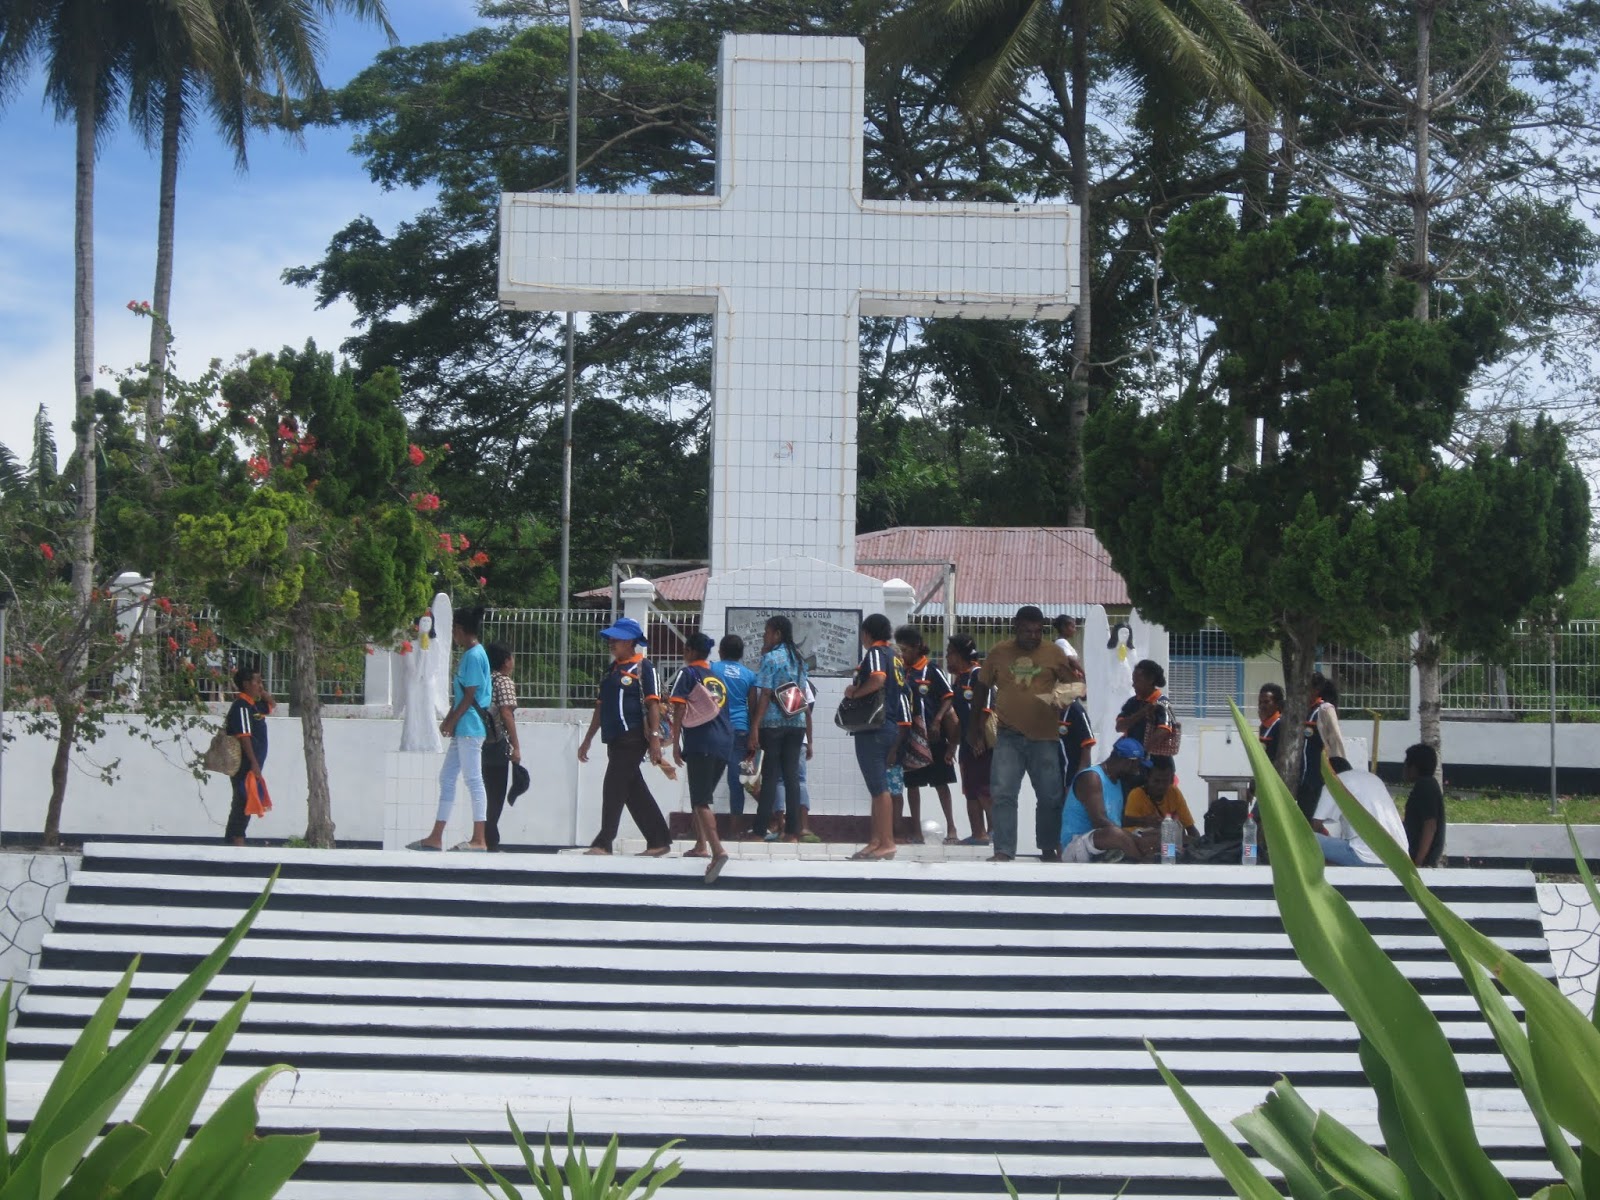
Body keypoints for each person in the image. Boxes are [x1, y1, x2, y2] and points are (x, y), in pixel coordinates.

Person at [978, 605, 1077, 863]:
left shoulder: (1054, 653)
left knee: (1050, 796)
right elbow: (981, 689)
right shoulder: (999, 652)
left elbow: (1073, 684)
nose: (1033, 636)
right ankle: (1003, 850)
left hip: (1045, 737)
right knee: (1003, 794)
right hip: (1008, 735)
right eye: (1027, 631)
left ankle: (1048, 847)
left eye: (1037, 631)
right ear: (1015, 627)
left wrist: (1061, 699)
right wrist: (973, 728)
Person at [578, 616, 672, 856]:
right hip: (614, 738)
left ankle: (603, 842)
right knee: (632, 790)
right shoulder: (612, 669)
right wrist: (588, 739)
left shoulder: (643, 667)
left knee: (613, 787)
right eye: (610, 638)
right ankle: (658, 840)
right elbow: (600, 707)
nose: (611, 642)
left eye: (616, 638)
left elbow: (652, 704)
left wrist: (653, 739)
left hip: (632, 737)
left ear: (630, 641)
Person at [408, 607, 493, 852]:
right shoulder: (471, 655)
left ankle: (479, 838)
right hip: (463, 727)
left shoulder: (475, 656)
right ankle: (436, 836)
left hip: (470, 728)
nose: (453, 635)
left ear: (460, 630)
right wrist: (450, 720)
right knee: (447, 778)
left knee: (474, 780)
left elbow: (470, 695)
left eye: (454, 630)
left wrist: (452, 720)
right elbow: (463, 695)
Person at [846, 613, 912, 859]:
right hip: (890, 724)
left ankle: (886, 841)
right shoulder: (894, 657)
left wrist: (855, 692)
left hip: (874, 726)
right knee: (877, 786)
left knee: (879, 788)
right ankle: (876, 840)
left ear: (867, 633)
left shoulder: (875, 653)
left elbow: (877, 680)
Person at [670, 632, 732, 882]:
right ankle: (700, 844)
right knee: (703, 795)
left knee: (700, 800)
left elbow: (679, 706)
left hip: (701, 742)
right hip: (724, 741)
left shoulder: (688, 674)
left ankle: (717, 851)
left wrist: (675, 743)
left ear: (689, 651)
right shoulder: (717, 678)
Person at [746, 616, 811, 843]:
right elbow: (801, 693)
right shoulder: (800, 660)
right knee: (792, 777)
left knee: (770, 777)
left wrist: (755, 725)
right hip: (796, 723)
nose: (765, 635)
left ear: (777, 634)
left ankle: (759, 830)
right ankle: (792, 832)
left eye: (767, 631)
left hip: (772, 723)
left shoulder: (771, 658)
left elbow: (764, 694)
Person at [896, 626, 959, 844]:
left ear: (916, 647)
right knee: (912, 785)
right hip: (910, 736)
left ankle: (952, 829)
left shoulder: (931, 669)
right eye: (900, 649)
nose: (902, 654)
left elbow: (949, 696)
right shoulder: (901, 670)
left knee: (940, 782)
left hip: (933, 736)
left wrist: (938, 720)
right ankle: (916, 831)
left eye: (905, 649)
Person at [1060, 737, 1148, 864]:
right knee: (1116, 834)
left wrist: (1144, 822)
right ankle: (1143, 868)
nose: (1138, 771)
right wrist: (1135, 839)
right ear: (1129, 762)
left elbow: (1115, 819)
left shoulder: (1117, 781)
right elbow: (1099, 821)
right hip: (1076, 845)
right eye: (1138, 765)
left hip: (1104, 840)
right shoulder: (1092, 778)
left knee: (1152, 836)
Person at [1312, 757, 1407, 867]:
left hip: (1365, 857)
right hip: (1400, 858)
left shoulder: (1333, 782)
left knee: (1306, 837)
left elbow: (1316, 825)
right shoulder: (1374, 779)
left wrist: (1325, 835)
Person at [945, 635, 992, 845]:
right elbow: (961, 717)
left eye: (949, 654)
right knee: (970, 790)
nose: (946, 658)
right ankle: (978, 833)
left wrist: (980, 738)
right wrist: (953, 744)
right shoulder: (959, 680)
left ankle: (996, 832)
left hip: (982, 744)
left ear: (958, 655)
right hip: (966, 743)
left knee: (984, 789)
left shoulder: (979, 676)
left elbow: (986, 710)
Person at [711, 635, 756, 835]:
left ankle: (700, 830)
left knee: (706, 781)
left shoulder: (712, 669)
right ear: (741, 654)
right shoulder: (749, 675)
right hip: (741, 729)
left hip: (717, 728)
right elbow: (753, 708)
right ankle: (735, 829)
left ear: (721, 651)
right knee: (736, 781)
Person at [224, 666, 272, 846]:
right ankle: (236, 839)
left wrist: (262, 692)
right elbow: (244, 737)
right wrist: (254, 763)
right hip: (245, 764)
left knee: (245, 800)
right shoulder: (241, 707)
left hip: (254, 764)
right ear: (246, 684)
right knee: (243, 800)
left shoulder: (253, 706)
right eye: (257, 681)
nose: (260, 685)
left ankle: (234, 838)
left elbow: (270, 705)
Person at [481, 643, 522, 852]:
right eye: (512, 658)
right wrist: (516, 746)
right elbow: (506, 713)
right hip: (498, 743)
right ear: (506, 660)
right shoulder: (504, 682)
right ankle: (490, 839)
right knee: (496, 793)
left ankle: (487, 836)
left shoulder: (485, 679)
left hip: (482, 740)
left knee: (486, 792)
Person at [771, 679, 821, 843]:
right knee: (800, 780)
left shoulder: (773, 677)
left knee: (779, 780)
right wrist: (810, 742)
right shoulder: (802, 680)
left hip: (777, 735)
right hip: (799, 737)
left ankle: (781, 824)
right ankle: (803, 826)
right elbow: (808, 713)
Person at [1297, 673, 1347, 822]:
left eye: (1306, 689)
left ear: (1317, 689)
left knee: (1312, 817)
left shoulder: (1324, 710)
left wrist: (1340, 769)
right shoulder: (1303, 711)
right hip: (1303, 777)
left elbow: (1335, 740)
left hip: (1317, 776)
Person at [1122, 755, 1198, 839]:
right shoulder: (1136, 795)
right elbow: (1127, 828)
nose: (1161, 786)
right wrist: (1145, 821)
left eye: (1165, 781)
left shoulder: (1174, 792)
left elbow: (1190, 828)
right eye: (1156, 781)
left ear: (1171, 780)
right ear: (1148, 777)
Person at [1402, 743, 1446, 867]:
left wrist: (1419, 861)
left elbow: (1430, 825)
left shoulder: (1425, 786)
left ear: (1414, 767)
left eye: (1406, 763)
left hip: (1422, 861)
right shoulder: (1428, 785)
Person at [1114, 659, 1174, 749]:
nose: (1133, 685)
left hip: (1158, 760)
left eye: (1137, 681)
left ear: (1150, 680)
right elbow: (1119, 727)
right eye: (1133, 681)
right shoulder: (1131, 702)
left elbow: (1164, 730)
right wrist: (1141, 713)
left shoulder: (1162, 702)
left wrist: (1143, 750)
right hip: (1133, 758)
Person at [1060, 695, 1096, 782]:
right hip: (1056, 774)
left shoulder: (1076, 710)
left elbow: (1087, 743)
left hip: (1072, 774)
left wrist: (1080, 777)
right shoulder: (1052, 709)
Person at [1257, 683, 1284, 766]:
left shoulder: (1280, 725)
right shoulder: (1264, 725)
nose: (1262, 706)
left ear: (1277, 704)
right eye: (1260, 702)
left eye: (1266, 702)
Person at [1052, 614, 1085, 681]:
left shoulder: (1063, 642)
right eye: (1072, 627)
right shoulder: (1061, 642)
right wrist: (1084, 673)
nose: (1074, 630)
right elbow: (1072, 660)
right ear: (1063, 627)